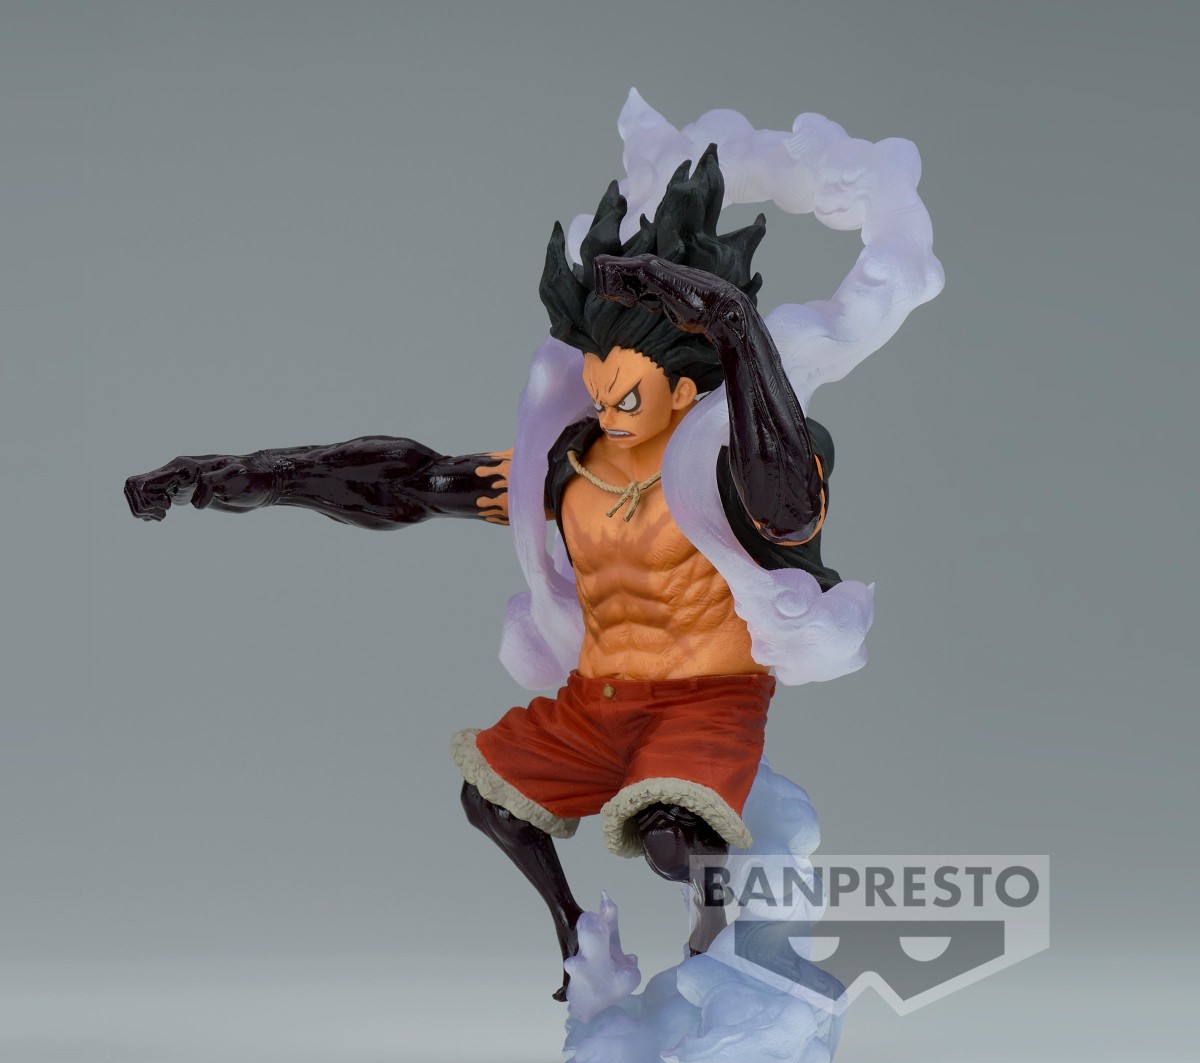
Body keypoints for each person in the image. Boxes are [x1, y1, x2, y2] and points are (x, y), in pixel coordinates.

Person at [125, 148, 848, 999]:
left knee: (671, 840)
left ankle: (716, 936)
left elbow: (789, 508)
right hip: (597, 698)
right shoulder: (567, 468)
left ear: (684, 394)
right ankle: (576, 935)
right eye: (597, 392)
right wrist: (236, 477)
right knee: (493, 800)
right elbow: (410, 482)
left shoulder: (736, 465)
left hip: (706, 695)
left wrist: (735, 327)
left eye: (627, 400)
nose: (607, 413)